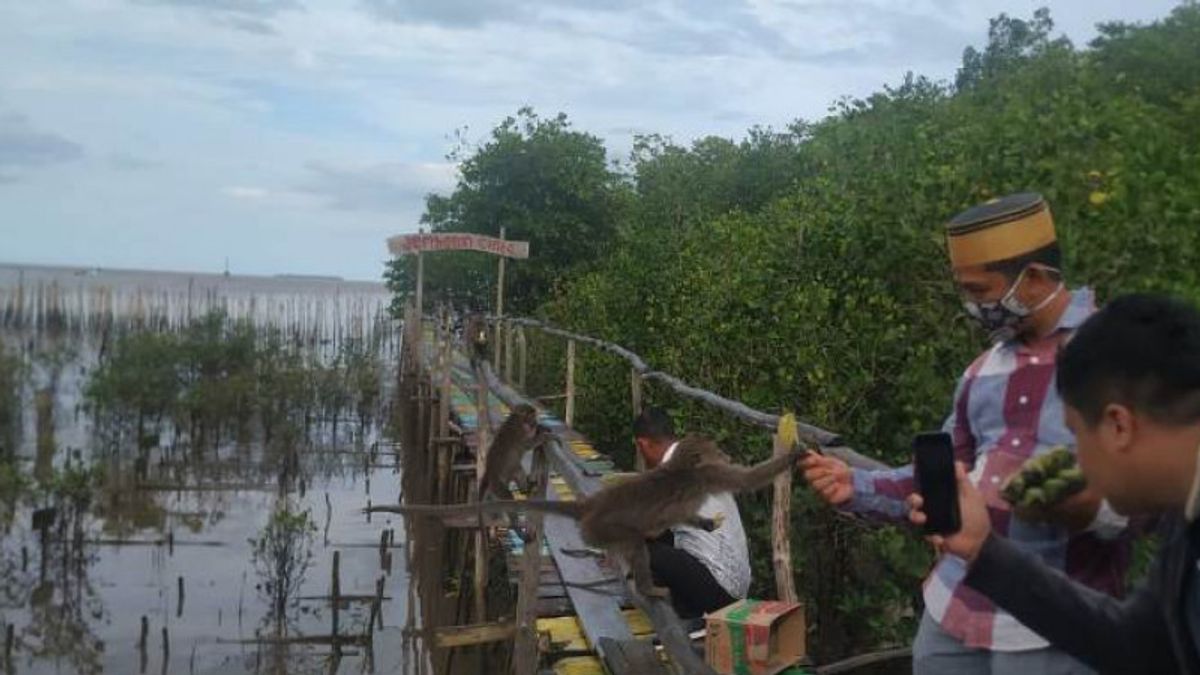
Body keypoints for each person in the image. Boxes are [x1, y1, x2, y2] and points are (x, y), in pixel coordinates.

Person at [801, 193, 1130, 674]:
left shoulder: (1118, 358)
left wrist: (1078, 505)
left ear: (1034, 278)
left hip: (1052, 626)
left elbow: (1150, 502)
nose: (975, 308)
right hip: (953, 609)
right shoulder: (982, 372)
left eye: (980, 291)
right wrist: (858, 486)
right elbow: (944, 473)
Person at [909, 293, 1200, 674]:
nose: (1078, 458)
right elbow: (1139, 646)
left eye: (1075, 435)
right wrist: (983, 550)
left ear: (1118, 426)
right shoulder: (1184, 520)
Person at [633, 407, 750, 619]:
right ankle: (685, 609)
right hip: (738, 585)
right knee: (666, 538)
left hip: (719, 587)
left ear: (643, 444)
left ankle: (677, 617)